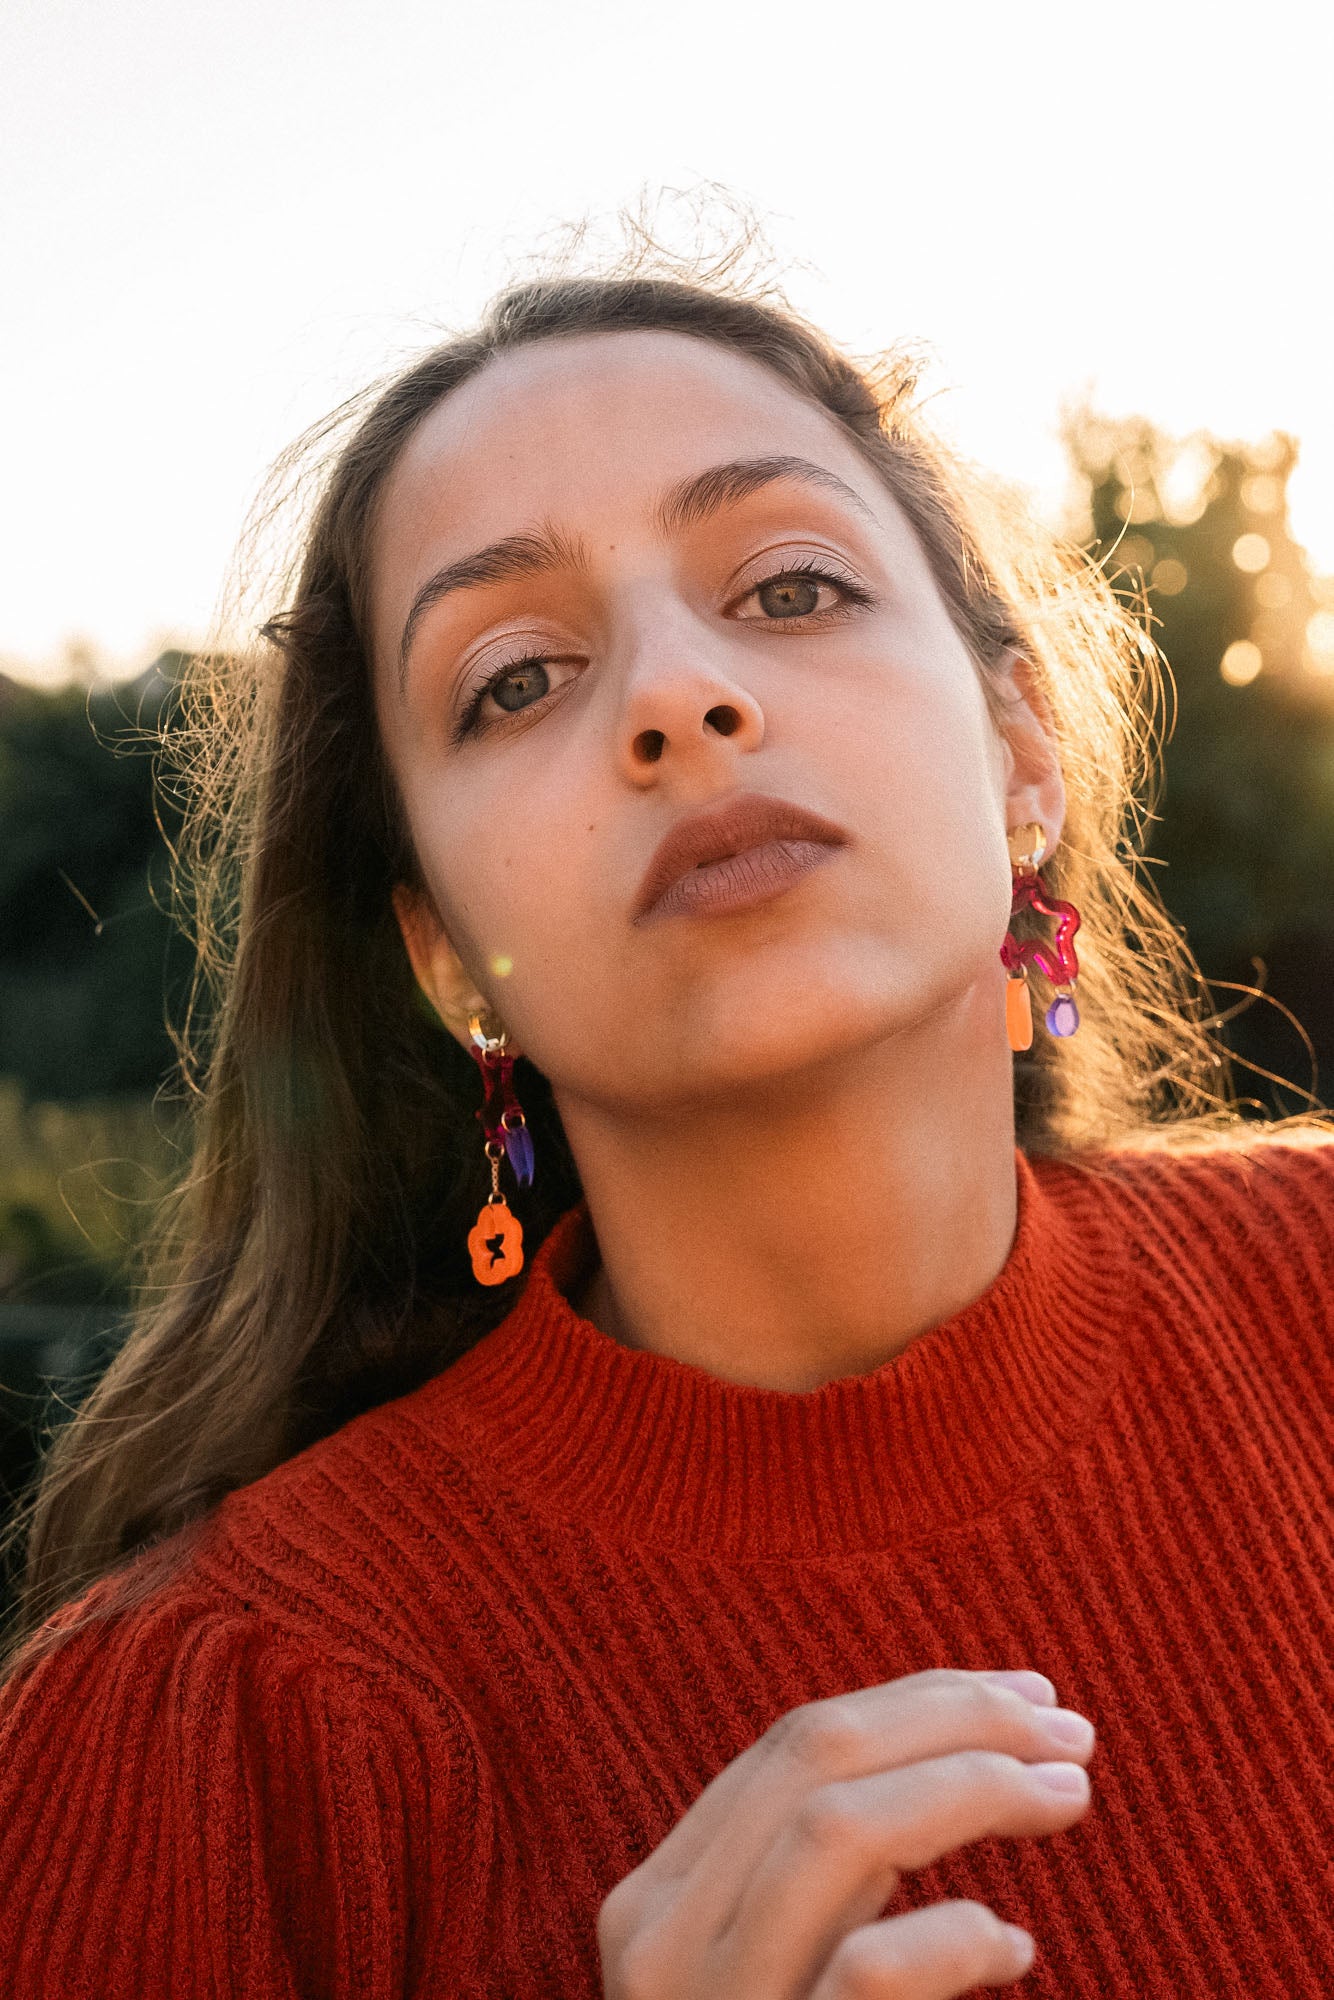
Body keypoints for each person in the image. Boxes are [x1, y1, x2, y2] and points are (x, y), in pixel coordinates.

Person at [1, 245, 1332, 2000]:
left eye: (786, 588)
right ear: (444, 957)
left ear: (1020, 750)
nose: (675, 699)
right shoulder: (218, 1734)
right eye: (514, 680)